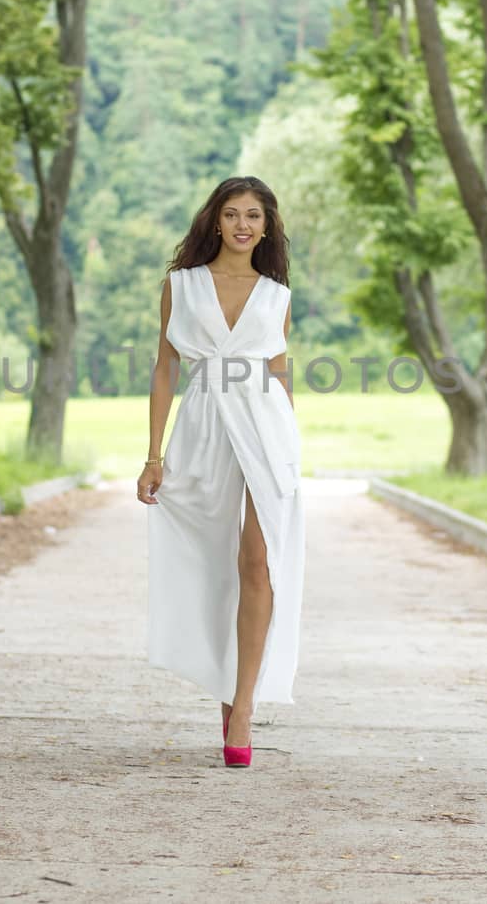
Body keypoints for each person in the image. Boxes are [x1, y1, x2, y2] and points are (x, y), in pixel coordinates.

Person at [137, 176, 305, 769]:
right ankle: (221, 677)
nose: (241, 224)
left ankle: (243, 708)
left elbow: (280, 375)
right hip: (205, 423)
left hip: (265, 427)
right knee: (210, 561)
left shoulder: (276, 295)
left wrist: (291, 452)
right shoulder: (181, 287)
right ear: (215, 221)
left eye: (253, 216)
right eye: (231, 214)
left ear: (267, 226)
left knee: (257, 561)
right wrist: (153, 454)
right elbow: (165, 367)